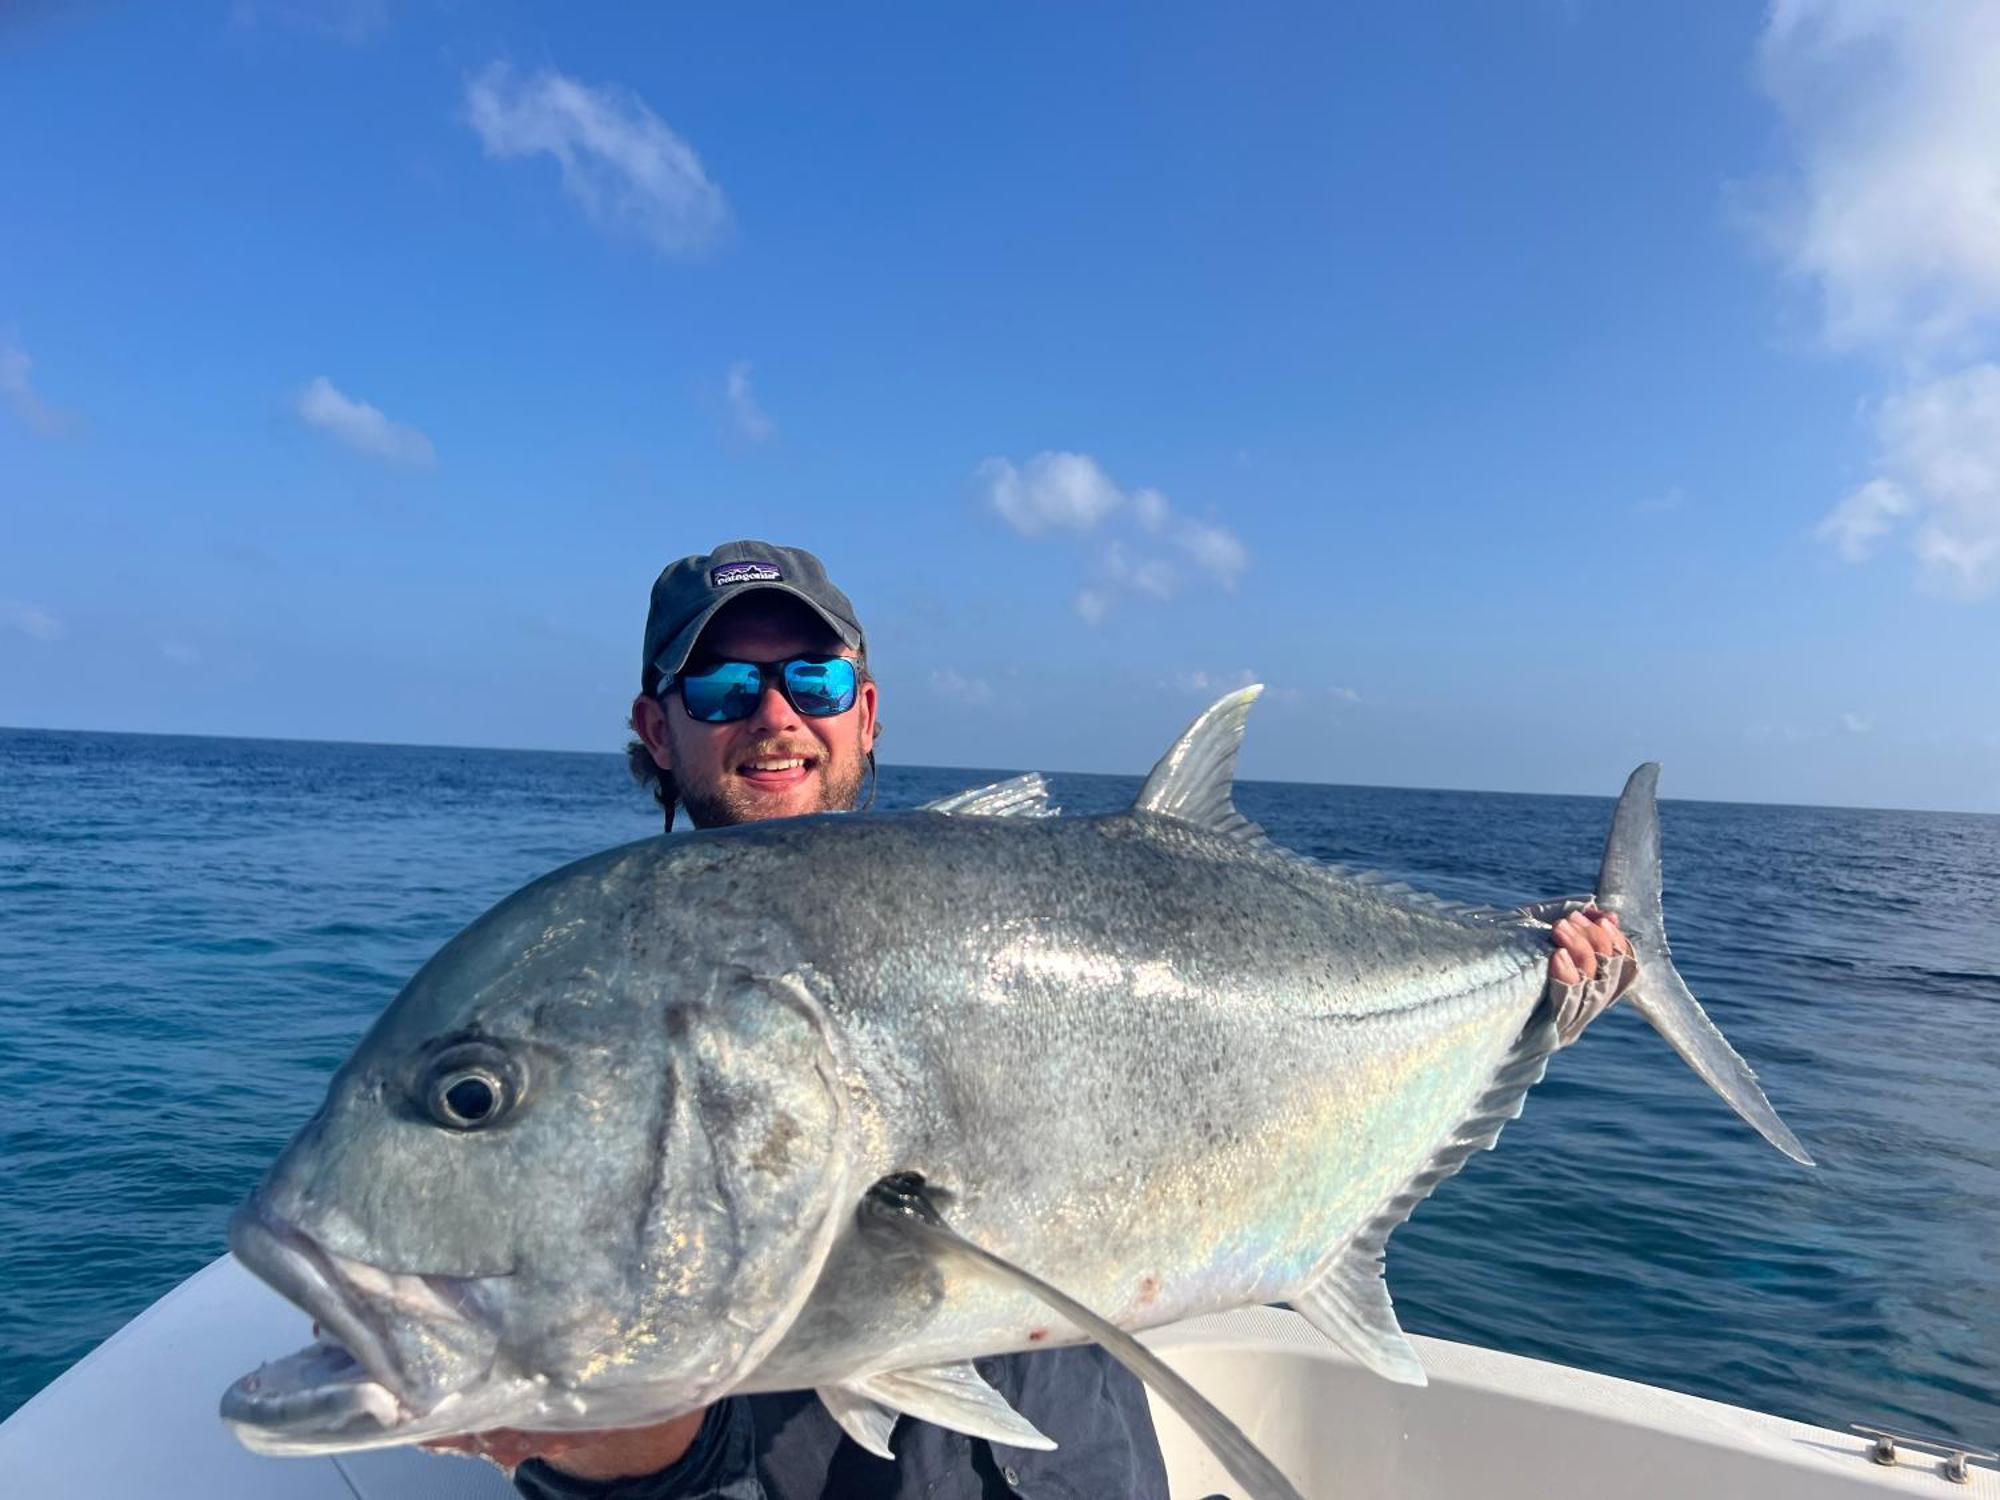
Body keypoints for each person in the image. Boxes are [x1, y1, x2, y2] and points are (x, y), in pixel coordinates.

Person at [447, 538, 1633, 1499]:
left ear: (864, 713)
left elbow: (1259, 1111)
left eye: (810, 679)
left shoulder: (1016, 916)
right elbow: (653, 1459)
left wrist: (1516, 1005)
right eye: (719, 684)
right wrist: (593, 1441)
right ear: (659, 730)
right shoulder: (583, 1009)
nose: (771, 715)